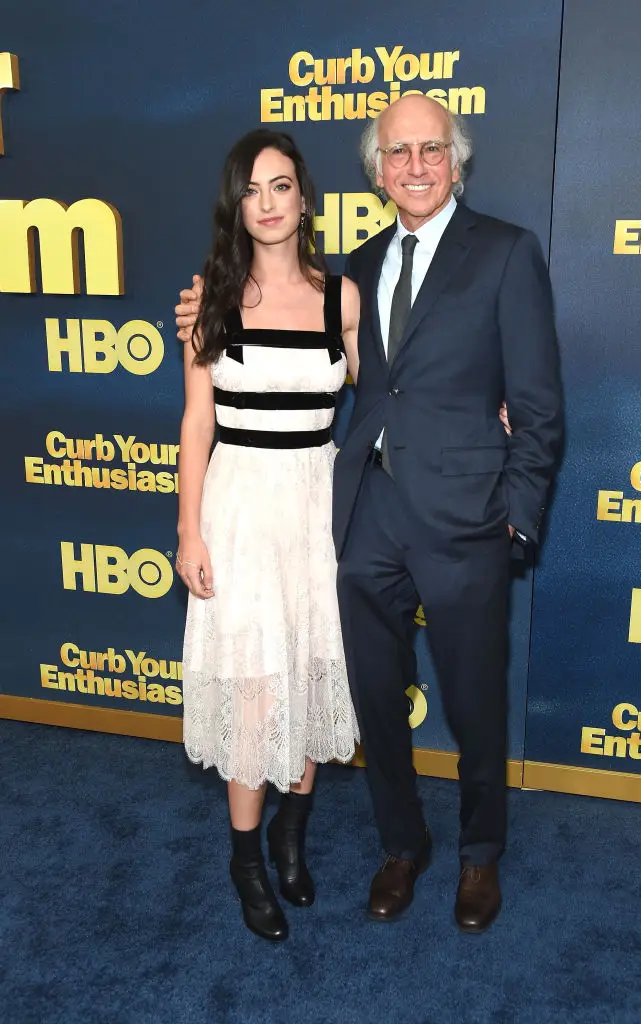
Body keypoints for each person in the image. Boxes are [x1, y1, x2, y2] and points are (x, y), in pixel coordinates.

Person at [176, 96, 562, 934]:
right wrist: (201, 314)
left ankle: (478, 856)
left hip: (468, 521)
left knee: (472, 700)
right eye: (397, 153)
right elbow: (356, 377)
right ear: (376, 170)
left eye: (430, 150)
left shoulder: (505, 252)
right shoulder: (353, 270)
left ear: (455, 160)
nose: (415, 166)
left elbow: (536, 404)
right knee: (373, 699)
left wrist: (516, 519)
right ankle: (402, 845)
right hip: (361, 521)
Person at [175, 128, 360, 943]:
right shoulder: (208, 301)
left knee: (309, 669)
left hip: (316, 506)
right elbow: (194, 427)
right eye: (251, 192)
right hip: (241, 510)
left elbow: (399, 387)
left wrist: (485, 405)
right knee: (255, 685)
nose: (268, 204)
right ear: (236, 208)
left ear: (304, 196)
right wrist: (189, 533)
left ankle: (292, 833)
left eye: (280, 186)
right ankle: (246, 858)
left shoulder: (340, 299)